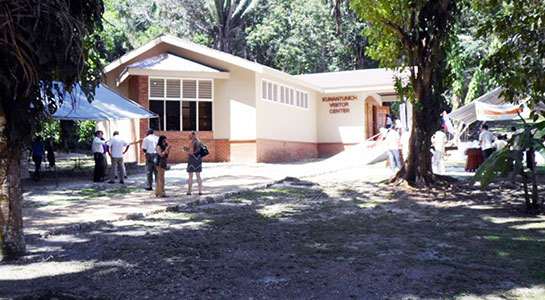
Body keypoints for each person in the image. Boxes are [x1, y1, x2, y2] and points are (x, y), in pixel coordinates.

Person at [184, 131, 203, 195]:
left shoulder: (191, 142)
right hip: (198, 159)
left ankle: (189, 191)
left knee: (190, 176)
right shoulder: (199, 142)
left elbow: (191, 152)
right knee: (198, 175)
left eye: (189, 135)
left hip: (192, 160)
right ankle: (200, 191)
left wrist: (185, 149)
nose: (188, 136)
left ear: (192, 136)